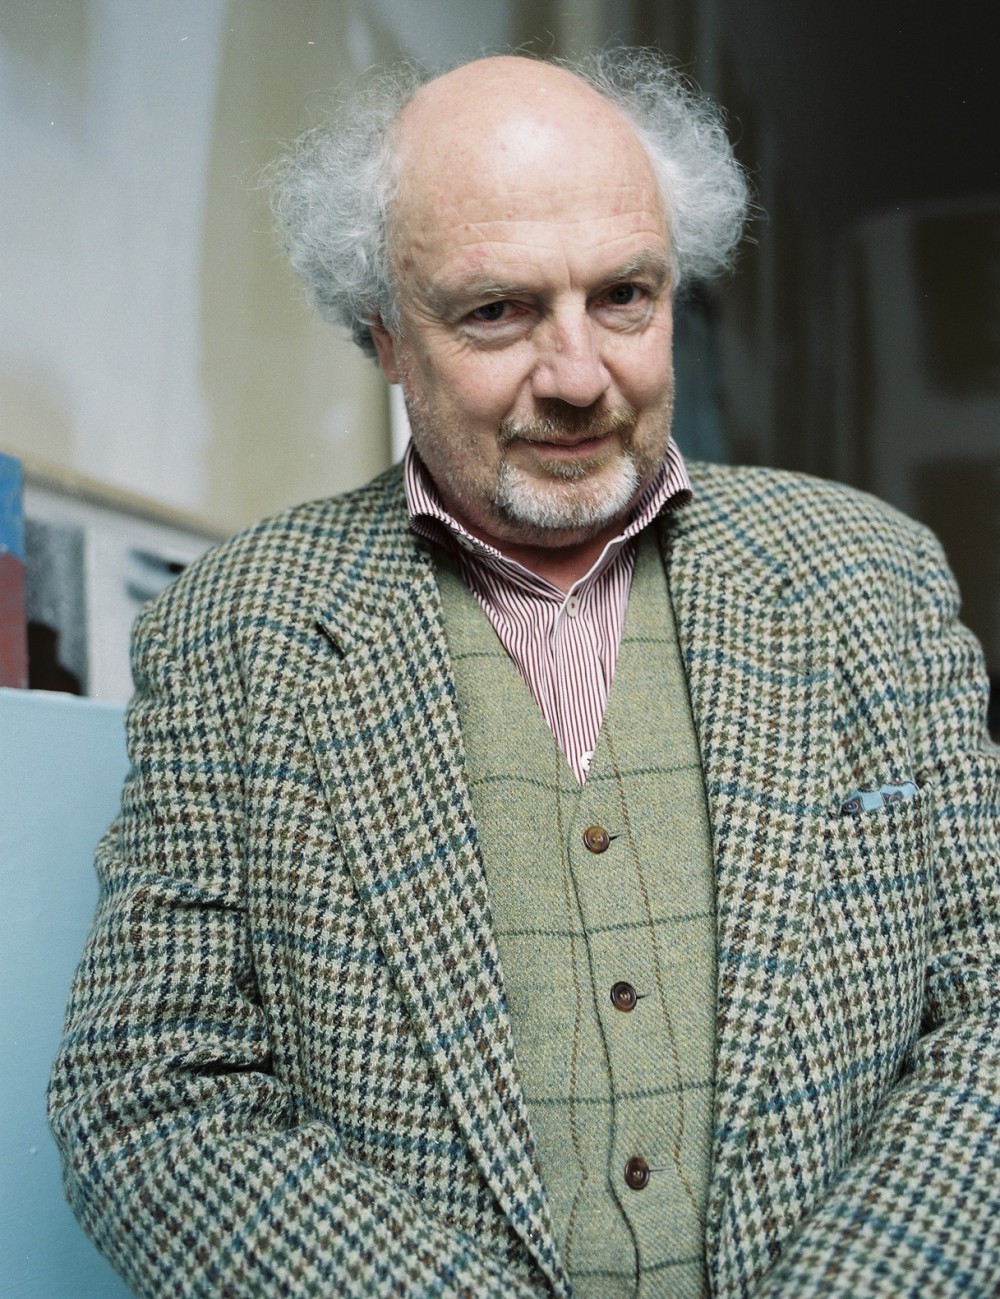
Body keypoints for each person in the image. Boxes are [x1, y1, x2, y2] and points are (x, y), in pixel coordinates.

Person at [49, 49, 1000, 1299]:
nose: (577, 377)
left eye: (623, 297)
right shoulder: (234, 631)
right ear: (385, 334)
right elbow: (147, 1092)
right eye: (496, 311)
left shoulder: (871, 578)